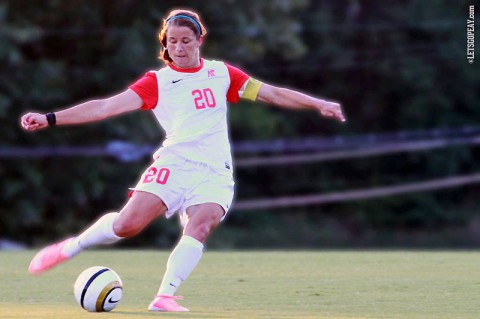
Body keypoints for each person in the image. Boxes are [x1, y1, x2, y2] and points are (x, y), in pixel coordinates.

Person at [20, 9, 345, 312]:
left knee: (201, 225)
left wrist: (319, 104)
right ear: (165, 43)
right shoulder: (157, 82)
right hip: (173, 165)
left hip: (215, 173)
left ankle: (164, 296)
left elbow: (272, 93)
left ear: (199, 41)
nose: (178, 47)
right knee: (126, 226)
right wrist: (50, 118)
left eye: (186, 40)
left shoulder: (221, 74)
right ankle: (72, 246)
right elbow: (104, 107)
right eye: (172, 41)